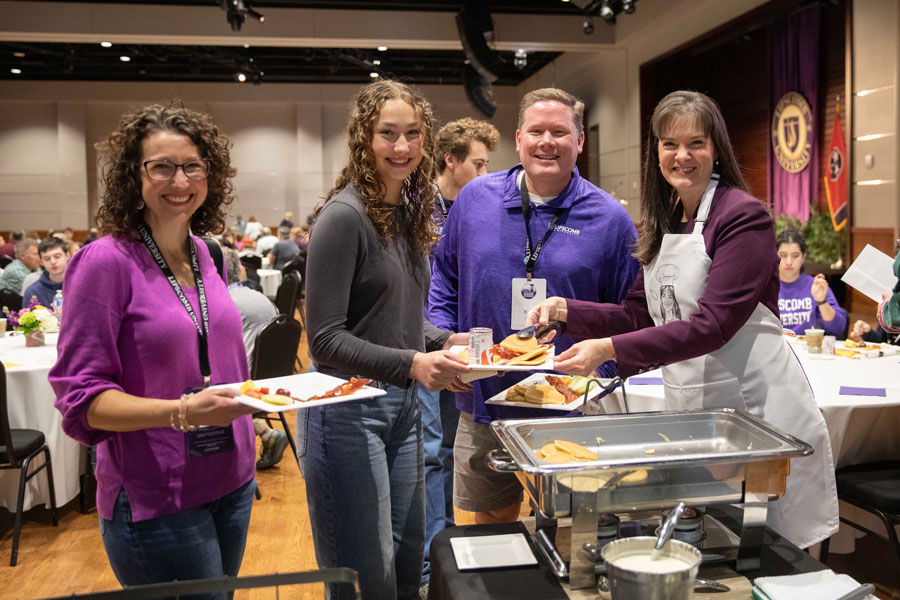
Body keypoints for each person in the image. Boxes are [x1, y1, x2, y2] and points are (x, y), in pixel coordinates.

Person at [525, 90, 838, 550]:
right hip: (699, 413)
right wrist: (567, 311)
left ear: (717, 150)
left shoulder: (742, 217)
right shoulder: (669, 218)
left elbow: (712, 325)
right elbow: (639, 313)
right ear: (656, 152)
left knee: (769, 551)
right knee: (710, 546)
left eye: (696, 143)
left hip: (758, 411)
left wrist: (607, 350)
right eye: (670, 144)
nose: (682, 155)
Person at [48, 101, 258, 594]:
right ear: (133, 176)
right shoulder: (105, 261)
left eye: (192, 166)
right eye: (161, 166)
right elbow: (83, 401)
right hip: (158, 494)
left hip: (231, 478)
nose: (179, 181)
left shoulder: (208, 253)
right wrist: (182, 412)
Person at [429, 87, 639, 526]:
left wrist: (597, 377)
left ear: (579, 141)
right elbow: (442, 278)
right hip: (484, 402)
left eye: (560, 132)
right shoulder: (474, 201)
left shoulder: (609, 220)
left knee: (568, 529)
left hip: (570, 410)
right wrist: (445, 342)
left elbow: (630, 315)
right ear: (518, 137)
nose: (547, 141)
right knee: (491, 529)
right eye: (537, 131)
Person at [301, 79, 470, 600]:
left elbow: (396, 320)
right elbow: (324, 340)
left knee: (405, 558)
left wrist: (444, 341)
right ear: (363, 139)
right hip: (348, 411)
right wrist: (415, 363)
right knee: (365, 574)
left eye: (412, 134)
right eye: (387, 134)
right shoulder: (344, 216)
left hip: (400, 407)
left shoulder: (406, 212)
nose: (401, 147)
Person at [419, 116, 499, 581]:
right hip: (429, 348)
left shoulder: (479, 211)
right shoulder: (417, 210)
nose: (486, 175)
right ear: (451, 160)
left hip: (469, 350)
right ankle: (432, 562)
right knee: (433, 450)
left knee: (451, 446)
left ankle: (447, 543)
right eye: (478, 163)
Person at [222, 247, 288, 470]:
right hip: (273, 377)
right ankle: (266, 432)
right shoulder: (260, 297)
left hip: (246, 382)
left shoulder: (223, 302)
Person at [776, 229, 847, 337]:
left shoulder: (816, 285)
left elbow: (839, 328)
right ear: (775, 256)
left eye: (795, 256)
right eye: (783, 255)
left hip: (809, 349)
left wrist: (822, 302)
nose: (789, 262)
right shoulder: (766, 288)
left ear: (803, 258)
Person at [23, 236, 71, 307]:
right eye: (47, 259)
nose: (53, 262)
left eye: (57, 256)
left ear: (67, 255)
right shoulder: (32, 292)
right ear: (41, 262)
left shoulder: (81, 285)